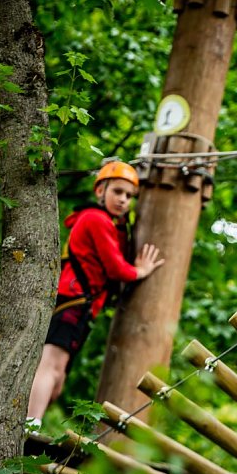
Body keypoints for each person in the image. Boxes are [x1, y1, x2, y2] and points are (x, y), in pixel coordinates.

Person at [26, 160, 165, 427]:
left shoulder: (106, 223)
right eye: (117, 192)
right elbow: (117, 269)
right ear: (100, 190)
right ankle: (30, 424)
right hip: (73, 301)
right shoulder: (96, 219)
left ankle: (32, 422)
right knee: (52, 365)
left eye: (129, 196)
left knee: (59, 377)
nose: (123, 200)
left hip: (79, 305)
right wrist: (141, 270)